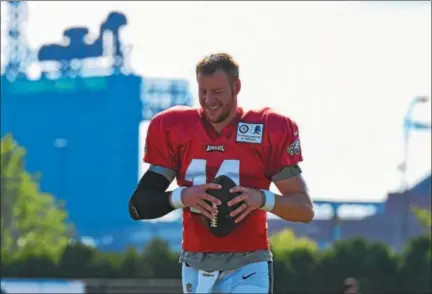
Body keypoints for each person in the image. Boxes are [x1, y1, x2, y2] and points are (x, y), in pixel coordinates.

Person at [128, 53, 314, 293]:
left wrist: (261, 199)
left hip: (249, 262)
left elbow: (304, 209)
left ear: (236, 87)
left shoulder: (266, 128)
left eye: (216, 92)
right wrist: (183, 196)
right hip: (195, 263)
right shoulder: (176, 128)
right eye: (203, 92)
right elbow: (139, 205)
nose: (208, 100)